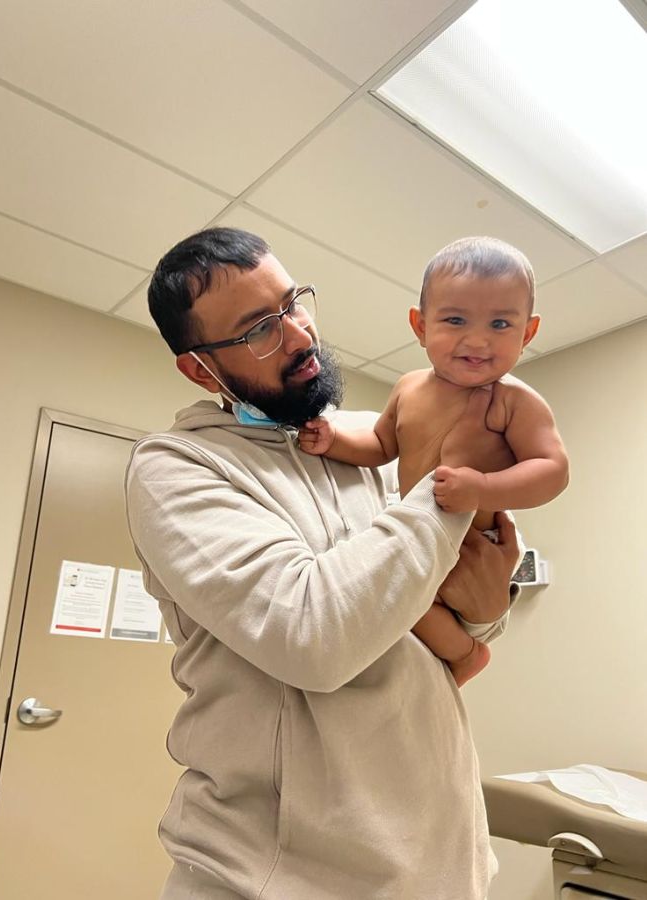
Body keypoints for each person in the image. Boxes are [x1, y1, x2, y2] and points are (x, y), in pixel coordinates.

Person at [125, 226, 521, 900]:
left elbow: (461, 612)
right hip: (277, 878)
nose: (298, 334)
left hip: (442, 863)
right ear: (200, 369)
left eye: (292, 302)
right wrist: (457, 473)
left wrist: (487, 612)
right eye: (258, 329)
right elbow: (316, 638)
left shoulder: (374, 441)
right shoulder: (177, 468)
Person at [299, 236, 569, 688]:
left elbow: (553, 470)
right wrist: (334, 440)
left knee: (409, 604)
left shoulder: (514, 401)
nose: (477, 339)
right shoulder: (408, 387)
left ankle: (465, 655)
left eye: (500, 323)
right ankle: (456, 658)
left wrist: (482, 489)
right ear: (421, 326)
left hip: (472, 541)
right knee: (395, 602)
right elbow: (381, 444)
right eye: (456, 319)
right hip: (419, 537)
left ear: (527, 334)